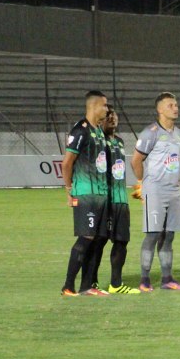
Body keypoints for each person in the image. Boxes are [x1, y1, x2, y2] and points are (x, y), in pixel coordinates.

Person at [132, 92, 180, 291]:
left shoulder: (178, 133)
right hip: (155, 190)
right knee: (153, 234)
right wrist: (142, 183)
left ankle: (167, 279)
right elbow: (136, 160)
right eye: (170, 105)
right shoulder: (151, 132)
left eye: (176, 104)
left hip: (173, 190)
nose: (175, 108)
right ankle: (144, 280)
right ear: (159, 109)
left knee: (169, 235)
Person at [61, 91, 111, 296]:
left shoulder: (98, 131)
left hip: (100, 194)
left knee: (98, 239)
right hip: (85, 193)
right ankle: (68, 286)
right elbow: (67, 163)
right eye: (105, 106)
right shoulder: (80, 131)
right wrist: (69, 189)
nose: (107, 110)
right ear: (94, 106)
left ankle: (87, 286)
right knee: (86, 238)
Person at [98, 104, 139, 293]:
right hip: (103, 200)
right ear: (100, 119)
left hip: (120, 200)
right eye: (107, 115)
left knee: (122, 240)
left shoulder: (120, 142)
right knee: (98, 241)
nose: (112, 118)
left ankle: (116, 284)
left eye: (113, 114)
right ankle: (90, 282)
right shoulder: (98, 141)